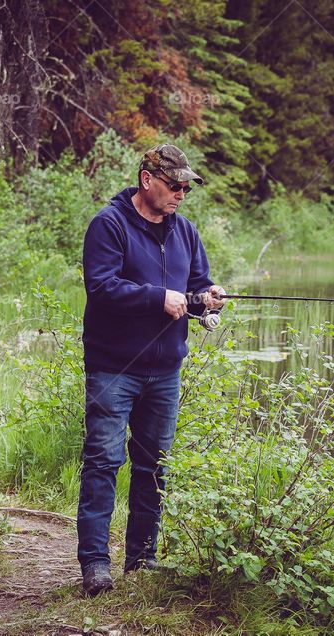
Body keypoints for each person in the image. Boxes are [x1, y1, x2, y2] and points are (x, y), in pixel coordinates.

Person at [77, 144, 225, 596]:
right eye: (174, 185)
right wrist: (158, 296)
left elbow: (196, 287)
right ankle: (96, 565)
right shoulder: (109, 224)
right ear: (147, 180)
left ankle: (141, 561)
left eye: (186, 187)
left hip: (165, 372)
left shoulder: (186, 232)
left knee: (154, 468)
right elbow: (102, 287)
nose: (182, 193)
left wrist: (209, 299)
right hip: (113, 368)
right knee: (103, 462)